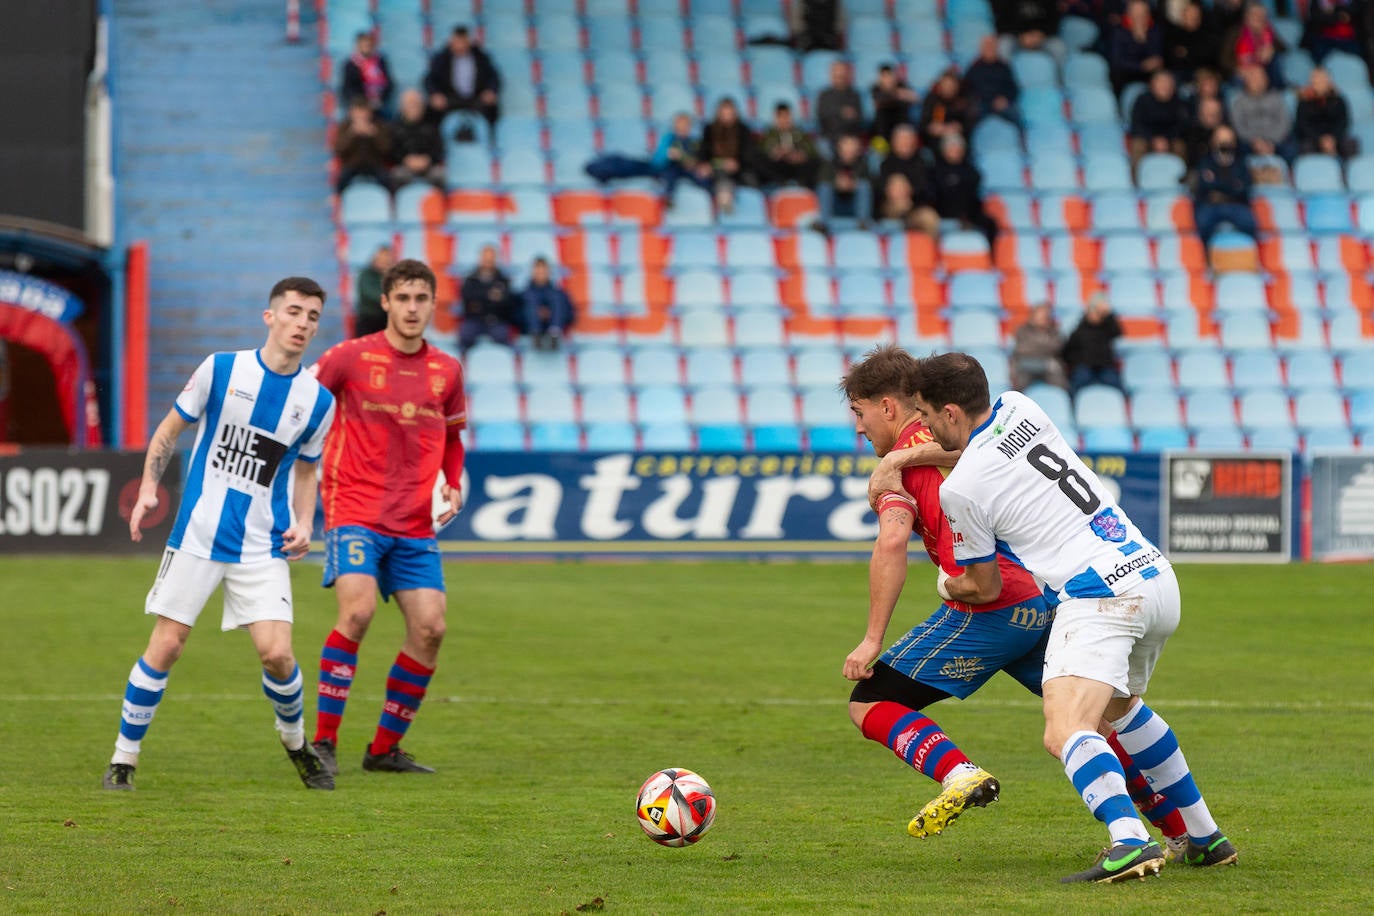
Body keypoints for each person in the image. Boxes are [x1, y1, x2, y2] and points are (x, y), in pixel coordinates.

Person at [908, 351, 1238, 883]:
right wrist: (903, 462)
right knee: (1122, 708)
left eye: (923, 412)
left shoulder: (959, 489)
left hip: (1099, 595)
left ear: (949, 411)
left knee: (1066, 727)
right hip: (1152, 574)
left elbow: (983, 584)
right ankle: (1204, 836)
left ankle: (1129, 841)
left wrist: (946, 581)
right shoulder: (1021, 406)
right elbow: (981, 457)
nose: (918, 424)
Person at [101, 277, 337, 792]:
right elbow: (168, 431)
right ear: (269, 316)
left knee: (278, 654)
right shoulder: (221, 368)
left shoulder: (317, 402)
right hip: (199, 533)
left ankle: (297, 744)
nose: (303, 323)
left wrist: (304, 522)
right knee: (167, 644)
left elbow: (305, 470)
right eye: (294, 312)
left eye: (313, 316)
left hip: (262, 545)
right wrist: (147, 488)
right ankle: (124, 759)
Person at [840, 345, 1051, 838]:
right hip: (1036, 599)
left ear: (887, 407)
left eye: (859, 412)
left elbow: (893, 540)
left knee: (869, 702)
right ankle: (1192, 831)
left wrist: (872, 639)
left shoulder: (900, 464)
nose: (858, 427)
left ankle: (959, 774)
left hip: (987, 600)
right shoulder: (958, 436)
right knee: (1097, 715)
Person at [310, 258, 467, 776]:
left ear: (432, 303)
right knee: (356, 615)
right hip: (354, 507)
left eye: (422, 298)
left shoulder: (447, 370)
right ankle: (324, 742)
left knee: (431, 629)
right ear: (385, 302)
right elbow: (302, 407)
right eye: (403, 298)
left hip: (414, 520)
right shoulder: (348, 358)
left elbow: (452, 438)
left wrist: (455, 479)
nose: (413, 308)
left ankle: (382, 750)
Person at [424, 25, 502, 136]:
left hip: (476, 98)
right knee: (432, 110)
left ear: (468, 41)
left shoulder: (480, 57)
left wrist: (491, 90)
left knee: (492, 108)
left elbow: (494, 76)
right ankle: (436, 141)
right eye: (457, 42)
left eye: (463, 42)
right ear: (451, 41)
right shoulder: (441, 58)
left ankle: (491, 140)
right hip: (450, 98)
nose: (460, 46)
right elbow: (429, 79)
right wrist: (435, 94)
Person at [1193, 124, 1259, 246]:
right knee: (1202, 223)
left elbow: (1244, 188)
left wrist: (1217, 186)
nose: (1224, 143)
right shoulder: (1205, 162)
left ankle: (1253, 256)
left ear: (1233, 142)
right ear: (1213, 142)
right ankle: (1205, 258)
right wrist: (1231, 185)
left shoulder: (1241, 164)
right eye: (1220, 140)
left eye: (1227, 140)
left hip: (1236, 205)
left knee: (1250, 223)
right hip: (1211, 206)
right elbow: (1204, 186)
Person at [930, 134, 998, 246]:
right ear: (944, 150)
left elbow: (974, 189)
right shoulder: (935, 170)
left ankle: (989, 255)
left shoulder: (971, 170)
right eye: (952, 147)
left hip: (969, 211)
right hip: (942, 210)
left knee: (989, 222)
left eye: (958, 147)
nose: (955, 150)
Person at [695, 97, 756, 215]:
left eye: (729, 113)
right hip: (715, 168)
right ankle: (725, 202)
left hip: (740, 170)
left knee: (749, 179)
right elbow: (703, 152)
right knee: (718, 174)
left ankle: (728, 202)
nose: (727, 117)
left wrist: (737, 163)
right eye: (724, 114)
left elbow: (749, 154)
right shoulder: (709, 129)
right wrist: (704, 164)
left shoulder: (743, 130)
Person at [875, 124, 938, 234]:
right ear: (893, 142)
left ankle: (927, 250)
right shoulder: (885, 163)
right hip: (890, 206)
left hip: (915, 205)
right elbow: (880, 188)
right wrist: (896, 191)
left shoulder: (922, 162)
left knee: (930, 217)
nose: (905, 143)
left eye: (908, 139)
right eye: (902, 139)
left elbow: (928, 188)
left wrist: (910, 191)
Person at [1230, 64, 1297, 164]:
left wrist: (1270, 142)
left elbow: (1284, 124)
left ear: (1266, 80)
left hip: (1275, 141)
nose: (1258, 81)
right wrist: (1255, 142)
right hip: (1249, 142)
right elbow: (1238, 126)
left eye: (1261, 77)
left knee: (1291, 149)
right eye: (1254, 77)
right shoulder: (1239, 101)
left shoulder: (1276, 98)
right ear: (1246, 81)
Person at [459, 244, 520, 349]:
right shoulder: (470, 278)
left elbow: (508, 301)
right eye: (485, 257)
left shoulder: (503, 279)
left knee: (503, 337)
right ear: (480, 258)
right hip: (474, 319)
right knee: (465, 336)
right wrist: (489, 295)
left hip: (496, 320)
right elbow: (467, 297)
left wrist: (480, 299)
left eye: (491, 258)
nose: (488, 261)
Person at [1062, 292, 1124, 395]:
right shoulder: (1079, 330)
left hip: (1105, 366)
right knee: (1077, 383)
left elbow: (1118, 333)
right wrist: (1077, 362)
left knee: (1116, 385)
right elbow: (1068, 351)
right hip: (1084, 366)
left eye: (1099, 313)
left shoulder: (1107, 328)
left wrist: (1108, 314)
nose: (1095, 315)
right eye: (1093, 311)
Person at [1128, 70, 1189, 167]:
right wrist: (1153, 139)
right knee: (1138, 145)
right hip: (1147, 138)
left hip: (1170, 138)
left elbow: (1181, 126)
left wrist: (1166, 139)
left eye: (1168, 83)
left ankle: (1181, 178)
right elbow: (1136, 125)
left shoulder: (1179, 102)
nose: (1165, 86)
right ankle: (1136, 180)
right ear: (1152, 84)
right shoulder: (1142, 100)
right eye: (1161, 83)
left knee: (1180, 146)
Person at [390, 88, 447, 190]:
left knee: (440, 174)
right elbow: (391, 151)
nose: (414, 107)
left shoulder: (432, 126)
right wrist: (405, 160)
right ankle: (402, 203)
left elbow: (439, 150)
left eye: (417, 104)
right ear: (402, 107)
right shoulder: (394, 128)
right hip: (405, 166)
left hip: (428, 166)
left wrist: (428, 159)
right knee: (397, 175)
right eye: (410, 104)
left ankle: (435, 204)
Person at [756, 102, 821, 188]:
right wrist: (774, 152)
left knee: (816, 162)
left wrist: (801, 155)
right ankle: (780, 183)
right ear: (776, 118)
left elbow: (812, 150)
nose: (785, 120)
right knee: (759, 161)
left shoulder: (800, 133)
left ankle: (802, 184)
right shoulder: (769, 133)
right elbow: (761, 149)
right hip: (778, 166)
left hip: (797, 166)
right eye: (781, 117)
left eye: (787, 116)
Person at [1295, 67, 1355, 158]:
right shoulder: (1304, 101)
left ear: (1328, 80)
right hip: (1313, 138)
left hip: (1335, 137)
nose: (1317, 82)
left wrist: (1332, 138)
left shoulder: (1338, 99)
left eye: (1321, 79)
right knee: (1305, 147)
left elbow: (1343, 121)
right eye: (1314, 78)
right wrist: (1320, 139)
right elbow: (1303, 125)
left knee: (1350, 144)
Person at [651, 112, 711, 202]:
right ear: (674, 126)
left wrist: (697, 163)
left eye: (685, 125)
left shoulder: (695, 141)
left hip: (689, 168)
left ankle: (712, 201)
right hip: (671, 167)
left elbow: (702, 157)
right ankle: (667, 200)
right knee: (668, 177)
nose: (682, 128)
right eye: (679, 125)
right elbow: (656, 161)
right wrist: (668, 154)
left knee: (703, 178)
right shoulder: (668, 138)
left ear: (690, 127)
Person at [1108, 0, 1165, 96]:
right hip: (1125, 77)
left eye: (1143, 14)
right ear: (1129, 15)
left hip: (1148, 76)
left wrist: (1143, 40)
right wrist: (1141, 66)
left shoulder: (1154, 32)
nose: (1140, 17)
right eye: (1137, 14)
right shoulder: (1119, 33)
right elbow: (1117, 62)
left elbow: (1156, 58)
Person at [334, 98, 392, 192]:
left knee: (386, 179)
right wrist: (351, 134)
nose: (361, 116)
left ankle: (389, 202)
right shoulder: (344, 127)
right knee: (341, 180)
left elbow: (387, 149)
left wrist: (374, 134)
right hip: (351, 165)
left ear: (369, 113)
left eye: (363, 113)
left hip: (374, 164)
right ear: (351, 113)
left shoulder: (379, 125)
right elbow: (338, 150)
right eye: (358, 113)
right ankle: (339, 202)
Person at [962, 35, 1021, 124]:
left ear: (997, 47)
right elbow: (966, 87)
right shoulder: (974, 67)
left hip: (1000, 102)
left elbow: (1013, 88)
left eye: (992, 45)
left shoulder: (1004, 67)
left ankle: (1021, 136)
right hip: (981, 103)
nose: (989, 48)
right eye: (987, 45)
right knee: (970, 116)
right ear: (981, 48)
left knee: (1015, 114)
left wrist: (1005, 98)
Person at [817, 133, 873, 226]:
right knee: (824, 187)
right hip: (835, 201)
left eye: (852, 147)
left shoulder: (863, 164)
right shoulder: (829, 163)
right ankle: (823, 223)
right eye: (846, 146)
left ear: (857, 150)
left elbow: (871, 182)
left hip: (854, 202)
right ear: (839, 148)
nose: (849, 149)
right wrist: (836, 183)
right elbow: (821, 180)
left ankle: (863, 223)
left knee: (864, 186)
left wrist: (853, 184)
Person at [1009, 302, 1068, 391]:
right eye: (1041, 315)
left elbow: (1057, 347)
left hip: (1048, 365)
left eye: (1046, 315)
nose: (1044, 318)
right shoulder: (1022, 330)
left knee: (1059, 378)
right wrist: (1044, 344)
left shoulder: (1054, 331)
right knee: (1020, 382)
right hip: (1026, 364)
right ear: (1033, 316)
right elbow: (1022, 349)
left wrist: (1036, 344)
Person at [520, 256, 575, 350]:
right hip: (529, 327)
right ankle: (535, 333)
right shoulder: (524, 294)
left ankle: (554, 332)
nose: (541, 274)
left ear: (549, 272)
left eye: (543, 271)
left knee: (557, 299)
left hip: (555, 325)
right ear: (532, 272)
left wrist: (551, 314)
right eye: (538, 271)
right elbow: (516, 314)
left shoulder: (560, 294)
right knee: (530, 300)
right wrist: (536, 314)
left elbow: (570, 314)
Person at [917, 70, 973, 154]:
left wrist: (959, 127)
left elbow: (968, 123)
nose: (948, 88)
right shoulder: (932, 99)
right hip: (934, 139)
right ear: (940, 85)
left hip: (956, 138)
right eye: (945, 84)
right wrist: (934, 128)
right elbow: (923, 124)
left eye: (951, 85)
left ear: (957, 86)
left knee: (954, 145)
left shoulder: (964, 100)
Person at [340, 31, 394, 116]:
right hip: (361, 105)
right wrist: (361, 102)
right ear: (358, 46)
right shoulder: (351, 65)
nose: (367, 47)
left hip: (380, 104)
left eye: (369, 44)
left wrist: (381, 99)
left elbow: (389, 83)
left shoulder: (381, 61)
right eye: (364, 44)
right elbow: (347, 88)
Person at [816, 60, 867, 149]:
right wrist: (841, 112)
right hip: (830, 138)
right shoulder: (824, 95)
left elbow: (859, 118)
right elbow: (822, 116)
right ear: (831, 75)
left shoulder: (854, 95)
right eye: (837, 73)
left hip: (850, 138)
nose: (839, 76)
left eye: (842, 74)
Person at [870, 64, 919, 146]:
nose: (888, 80)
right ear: (880, 78)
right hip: (882, 131)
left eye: (890, 76)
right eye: (884, 76)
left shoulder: (903, 85)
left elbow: (916, 98)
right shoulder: (876, 88)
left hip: (901, 127)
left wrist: (899, 94)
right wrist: (898, 94)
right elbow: (878, 101)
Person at [355, 244, 394, 338]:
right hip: (368, 320)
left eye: (387, 259)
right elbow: (370, 293)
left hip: (386, 320)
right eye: (382, 258)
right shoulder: (366, 274)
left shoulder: (392, 276)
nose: (384, 261)